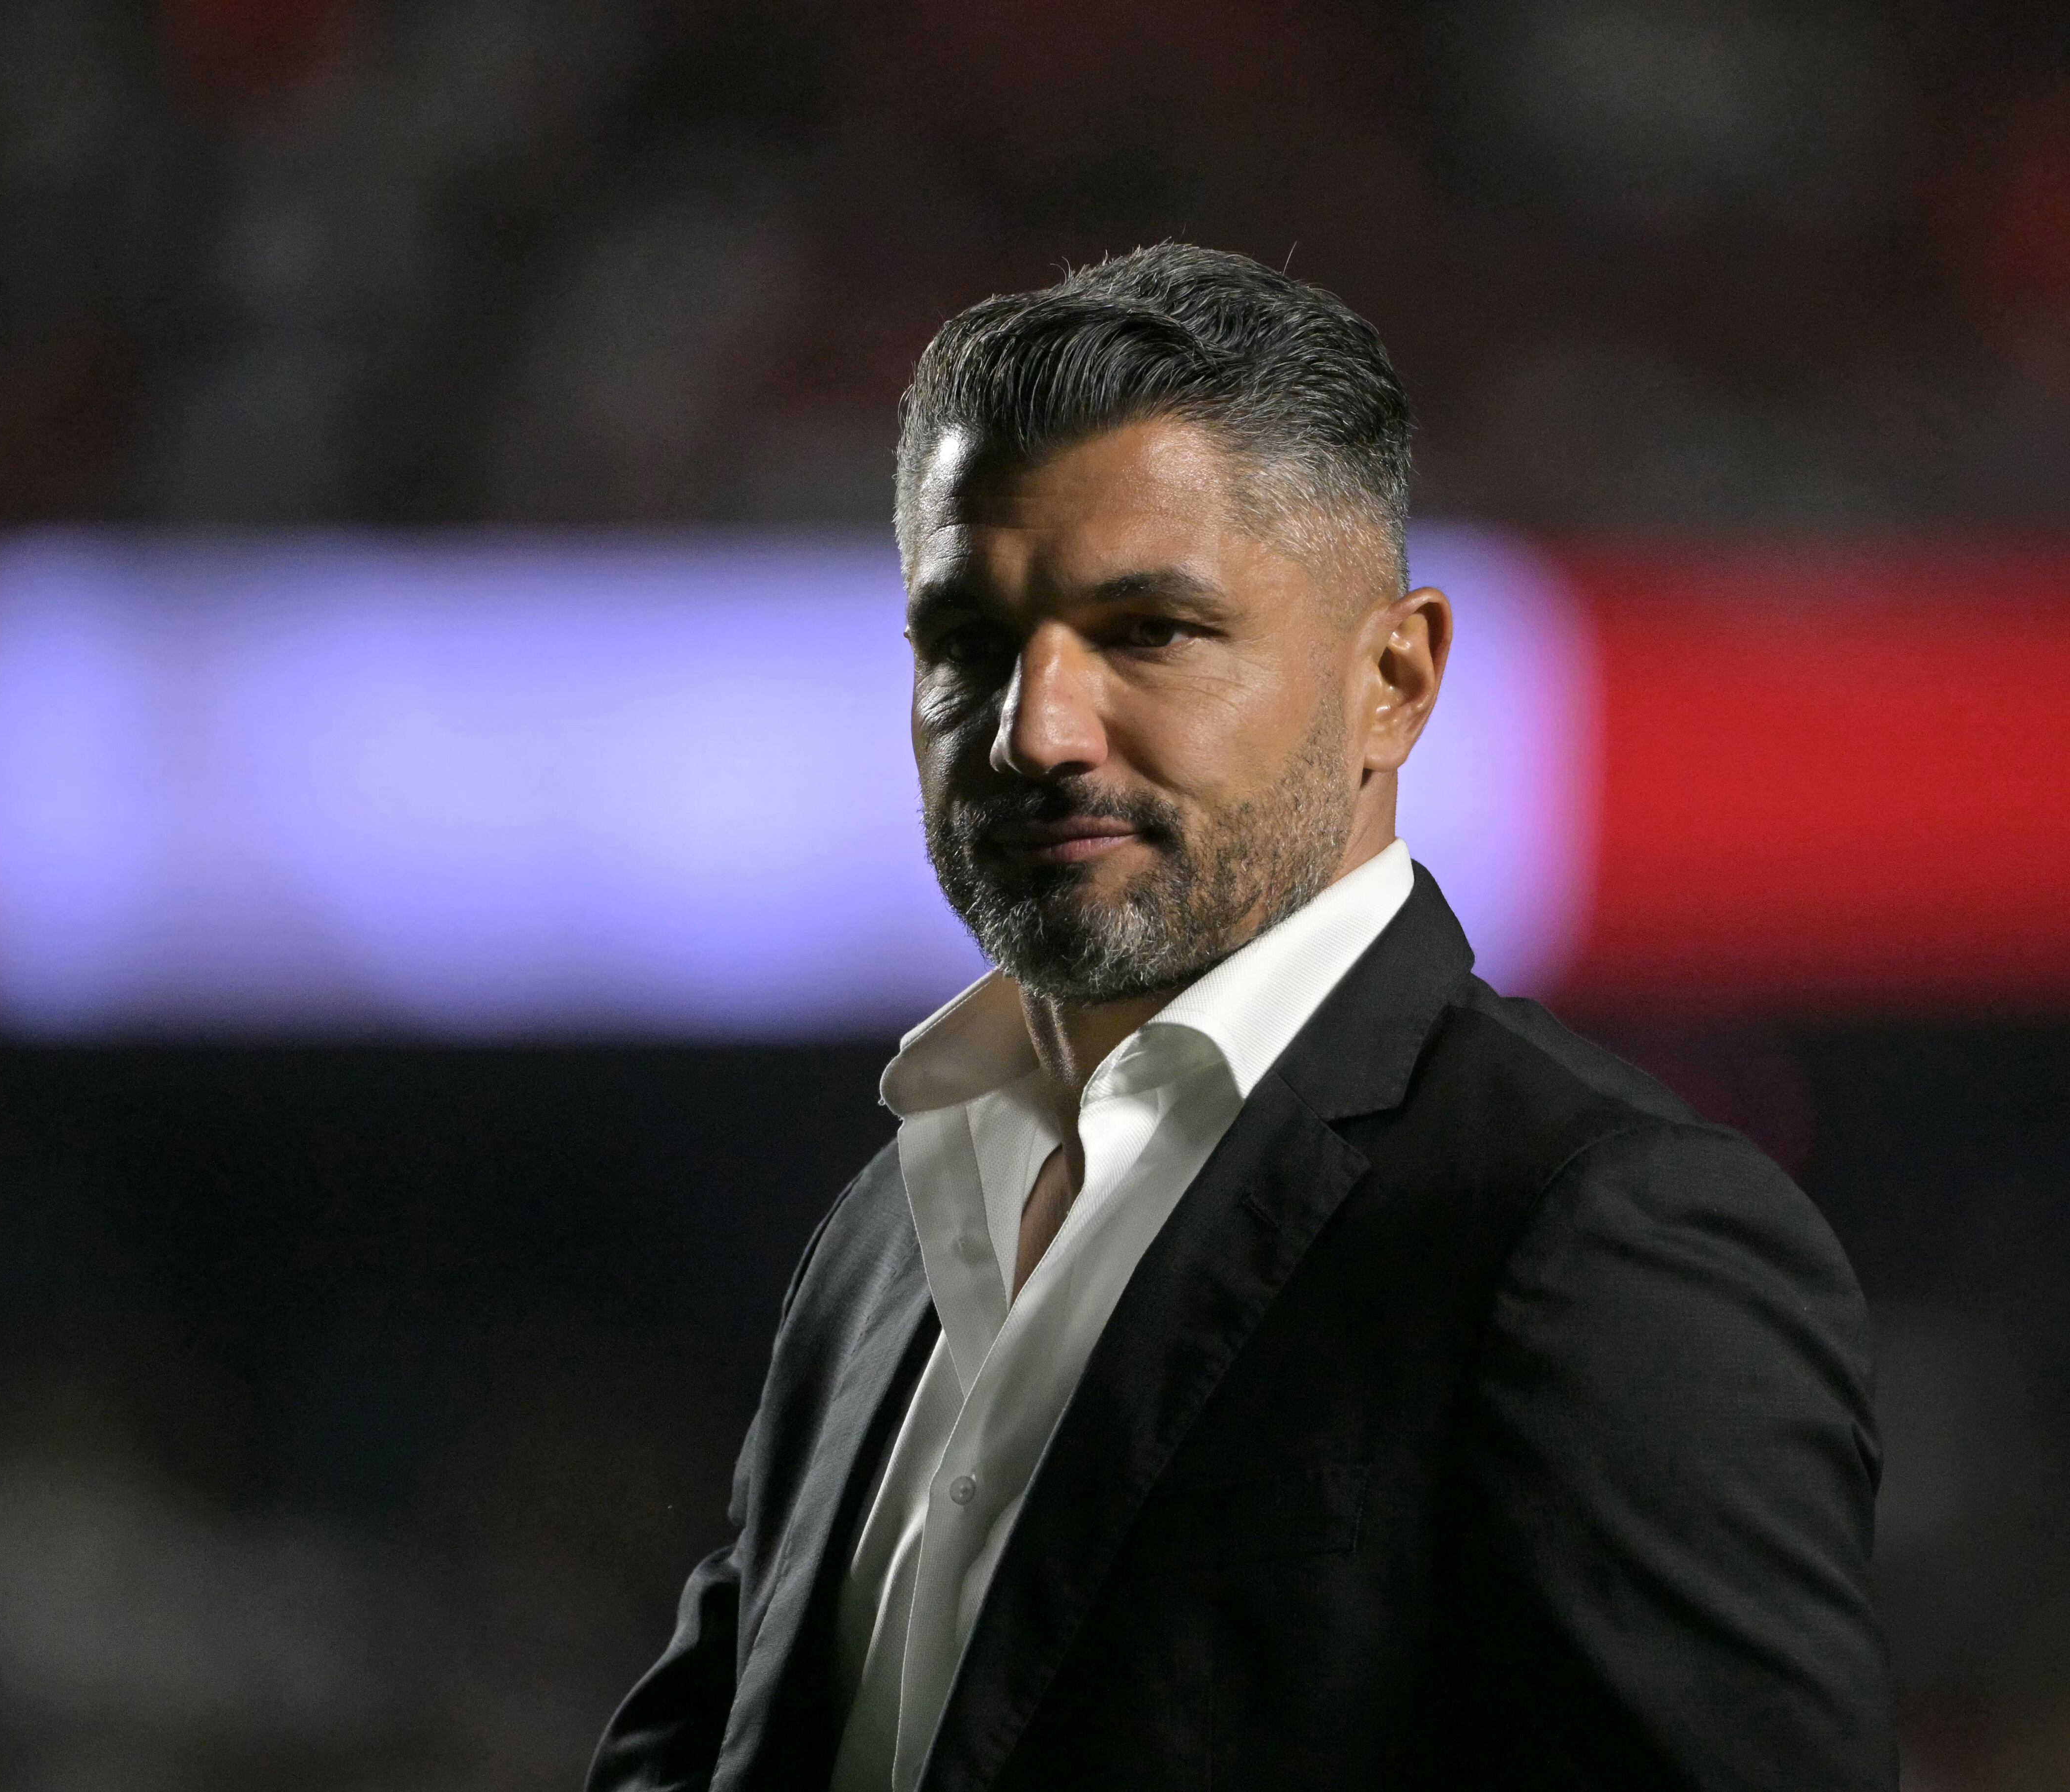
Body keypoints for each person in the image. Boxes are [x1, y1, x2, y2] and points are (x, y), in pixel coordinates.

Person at [585, 243, 1895, 1791]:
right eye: (967, 645)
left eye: (1150, 633)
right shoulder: (885, 1233)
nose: (1035, 728)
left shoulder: (1596, 1236)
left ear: (1394, 679)